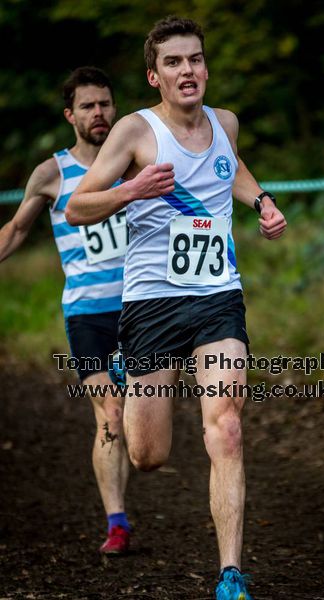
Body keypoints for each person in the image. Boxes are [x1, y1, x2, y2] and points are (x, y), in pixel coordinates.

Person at [66, 18, 287, 600]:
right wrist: (130, 192)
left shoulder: (225, 123)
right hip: (151, 304)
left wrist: (262, 201)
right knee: (147, 455)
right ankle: (126, 372)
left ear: (206, 67)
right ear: (154, 75)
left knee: (228, 429)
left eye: (195, 60)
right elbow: (78, 208)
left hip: (217, 296)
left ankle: (231, 575)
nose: (187, 71)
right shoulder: (136, 132)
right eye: (173, 63)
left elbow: (230, 166)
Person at [0, 66, 171, 555]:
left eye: (105, 104)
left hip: (142, 310)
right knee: (110, 412)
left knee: (142, 418)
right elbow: (15, 231)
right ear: (69, 114)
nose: (99, 113)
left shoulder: (137, 161)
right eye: (88, 106)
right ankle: (117, 522)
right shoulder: (51, 175)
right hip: (87, 315)